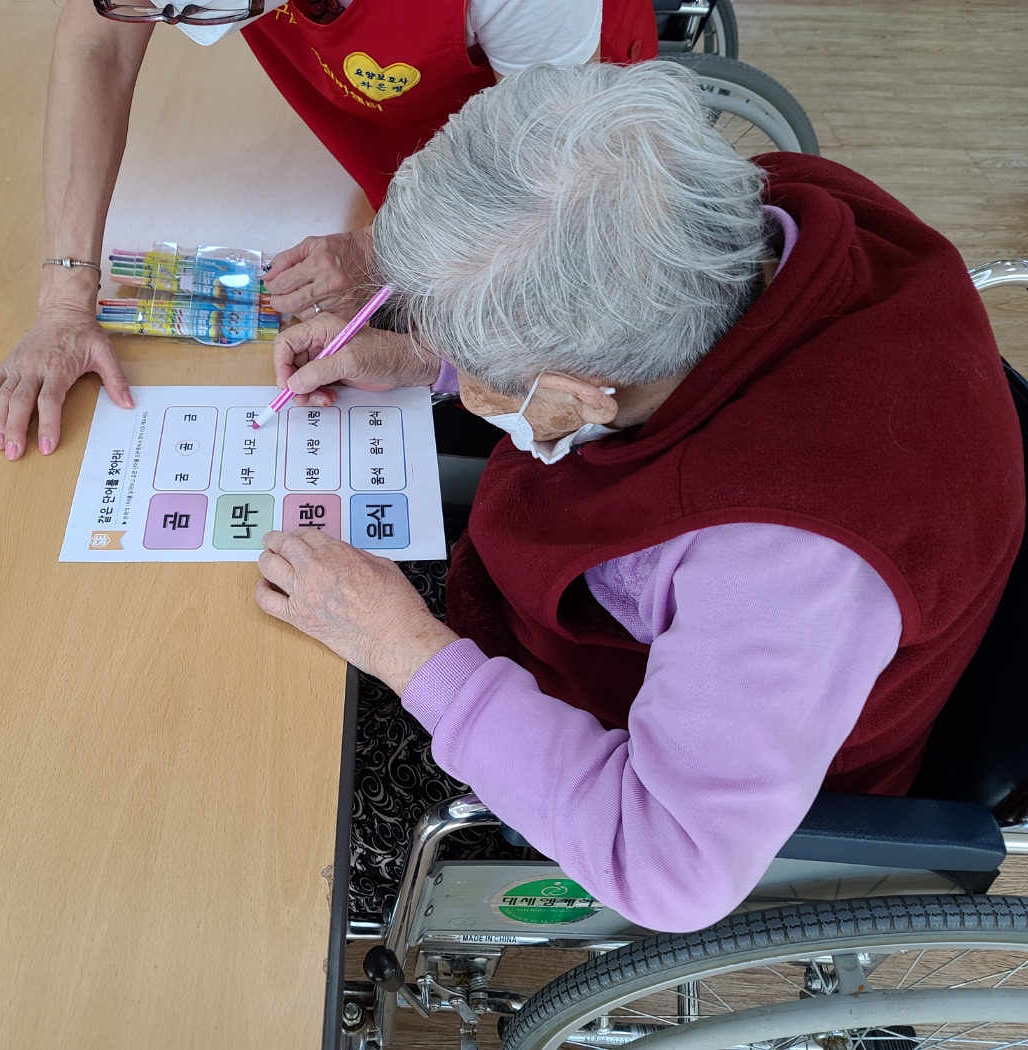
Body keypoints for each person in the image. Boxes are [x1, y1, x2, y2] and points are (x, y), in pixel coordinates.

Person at [253, 61, 1026, 932]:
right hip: (586, 620)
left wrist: (403, 647)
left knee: (270, 812)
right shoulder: (731, 213)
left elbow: (673, 868)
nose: (463, 381)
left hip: (659, 776)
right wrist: (422, 359)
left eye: (476, 371)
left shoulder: (784, 558)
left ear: (582, 397)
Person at [0, 0, 658, 461]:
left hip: (566, 179)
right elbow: (97, 45)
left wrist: (390, 250)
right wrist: (64, 302)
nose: (170, 19)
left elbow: (562, 187)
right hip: (403, 143)